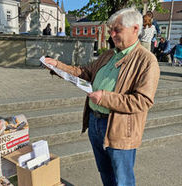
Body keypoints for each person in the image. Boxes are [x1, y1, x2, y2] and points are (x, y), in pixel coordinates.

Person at [45, 7, 160, 186]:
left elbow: (143, 101)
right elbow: (84, 72)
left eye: (117, 30)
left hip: (120, 128)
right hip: (95, 122)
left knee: (122, 179)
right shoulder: (108, 54)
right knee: (105, 172)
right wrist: (57, 66)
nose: (112, 34)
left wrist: (105, 98)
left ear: (135, 29)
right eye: (111, 30)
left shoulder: (147, 61)